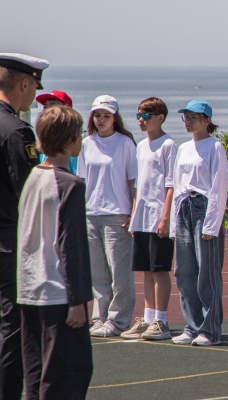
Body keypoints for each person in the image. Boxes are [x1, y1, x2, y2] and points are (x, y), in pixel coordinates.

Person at [17, 106, 93, 399]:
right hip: (58, 293)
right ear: (69, 140)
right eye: (79, 133)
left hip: (29, 289)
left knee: (36, 374)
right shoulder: (70, 184)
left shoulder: (33, 176)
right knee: (69, 375)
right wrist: (78, 300)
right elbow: (71, 245)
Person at [0, 52, 49, 400]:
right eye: (34, 87)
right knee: (13, 329)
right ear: (25, 83)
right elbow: (29, 195)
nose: (33, 96)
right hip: (9, 243)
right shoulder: (16, 131)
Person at [78, 95, 138, 337]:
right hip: (91, 213)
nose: (101, 120)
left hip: (117, 215)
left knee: (119, 273)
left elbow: (134, 182)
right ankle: (100, 318)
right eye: (97, 115)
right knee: (97, 273)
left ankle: (119, 321)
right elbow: (82, 180)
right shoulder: (86, 143)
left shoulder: (125, 143)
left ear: (115, 118)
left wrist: (133, 212)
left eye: (106, 116)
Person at [170, 100, 228, 346]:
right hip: (184, 208)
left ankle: (210, 329)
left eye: (194, 117)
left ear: (206, 120)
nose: (188, 121)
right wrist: (174, 223)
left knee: (207, 272)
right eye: (186, 117)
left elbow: (219, 185)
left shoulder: (215, 147)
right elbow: (177, 184)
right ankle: (192, 325)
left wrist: (211, 223)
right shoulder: (183, 148)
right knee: (184, 271)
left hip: (203, 208)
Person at [121, 98, 177, 341]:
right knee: (146, 271)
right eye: (138, 116)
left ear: (160, 117)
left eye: (145, 116)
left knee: (160, 270)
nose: (140, 121)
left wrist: (166, 218)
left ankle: (160, 321)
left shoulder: (168, 145)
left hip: (158, 217)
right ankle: (147, 318)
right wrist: (134, 215)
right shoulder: (141, 146)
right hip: (142, 218)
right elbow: (138, 185)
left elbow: (171, 184)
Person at [36, 90, 78, 174]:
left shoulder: (72, 143)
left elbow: (78, 174)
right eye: (45, 107)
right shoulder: (42, 143)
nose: (47, 111)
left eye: (52, 106)